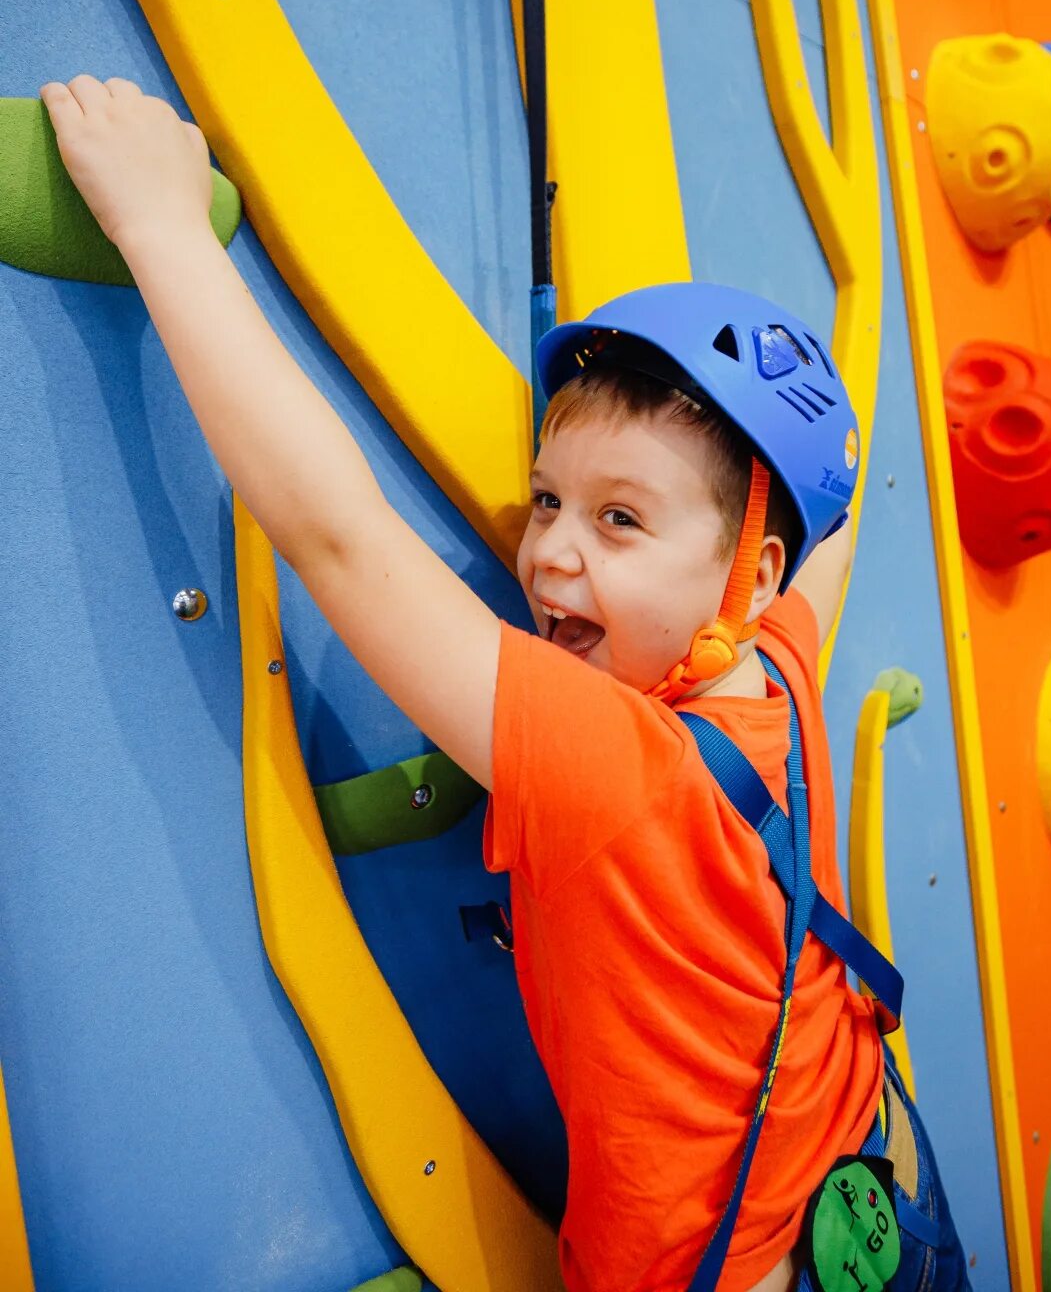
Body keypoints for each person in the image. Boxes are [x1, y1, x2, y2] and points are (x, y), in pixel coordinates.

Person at [40, 75, 971, 1292]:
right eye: (548, 498)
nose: (551, 552)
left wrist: (160, 229)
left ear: (749, 567)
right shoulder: (777, 668)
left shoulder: (619, 768)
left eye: (621, 518)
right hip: (880, 1206)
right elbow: (828, 545)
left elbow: (340, 539)